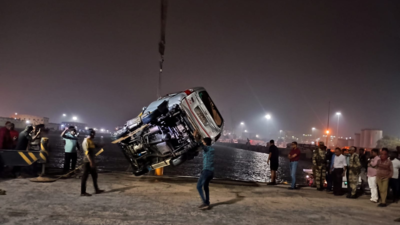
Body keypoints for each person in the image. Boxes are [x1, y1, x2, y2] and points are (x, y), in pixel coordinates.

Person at [193, 130, 215, 210]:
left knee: (199, 186)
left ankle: (205, 203)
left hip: (206, 171)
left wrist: (195, 136)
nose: (203, 142)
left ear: (205, 143)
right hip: (211, 172)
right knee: (205, 186)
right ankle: (207, 202)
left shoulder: (207, 149)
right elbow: (201, 143)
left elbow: (199, 144)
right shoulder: (212, 150)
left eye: (203, 142)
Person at [81, 129, 104, 197]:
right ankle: (83, 192)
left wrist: (101, 145)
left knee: (94, 176)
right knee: (84, 177)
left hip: (92, 161)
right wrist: (91, 161)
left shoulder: (91, 141)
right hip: (87, 162)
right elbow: (86, 153)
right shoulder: (85, 141)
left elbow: (96, 145)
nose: (94, 135)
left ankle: (96, 189)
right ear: (90, 134)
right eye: (93, 134)